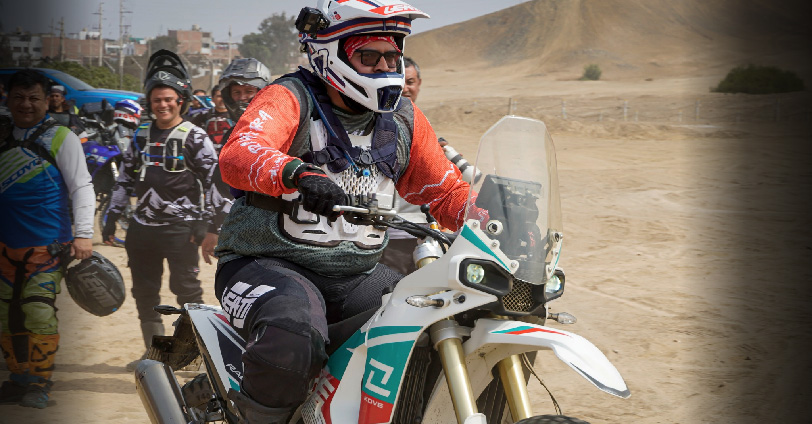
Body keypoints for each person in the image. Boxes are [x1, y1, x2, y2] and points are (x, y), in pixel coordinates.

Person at [213, 2, 487, 422]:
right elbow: (238, 153)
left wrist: (491, 217)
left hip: (356, 273)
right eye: (369, 56)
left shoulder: (403, 119)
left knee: (429, 328)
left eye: (392, 56)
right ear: (331, 54)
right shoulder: (291, 97)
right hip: (266, 263)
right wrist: (297, 173)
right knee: (292, 342)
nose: (385, 67)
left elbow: (445, 191)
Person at [102, 50, 221, 371]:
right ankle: (155, 355)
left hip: (182, 230)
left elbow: (214, 182)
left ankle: (194, 359)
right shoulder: (140, 135)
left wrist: (210, 226)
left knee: (187, 293)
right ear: (149, 102)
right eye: (157, 100)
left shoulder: (195, 136)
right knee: (145, 294)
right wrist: (111, 215)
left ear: (181, 100)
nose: (163, 105)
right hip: (142, 230)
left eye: (169, 99)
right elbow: (125, 178)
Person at [0, 69, 95, 408]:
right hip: (4, 248)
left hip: (47, 247)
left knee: (38, 312)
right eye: (19, 97)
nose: (26, 104)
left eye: (33, 98)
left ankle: (40, 383)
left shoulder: (61, 137)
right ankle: (19, 378)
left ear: (46, 101)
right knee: (6, 315)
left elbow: (81, 186)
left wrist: (84, 234)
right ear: (7, 98)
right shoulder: (2, 135)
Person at [380, 56, 480, 275]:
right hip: (391, 230)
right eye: (400, 81)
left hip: (428, 231)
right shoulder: (376, 122)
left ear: (419, 83)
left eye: (410, 82)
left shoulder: (423, 122)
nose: (404, 88)